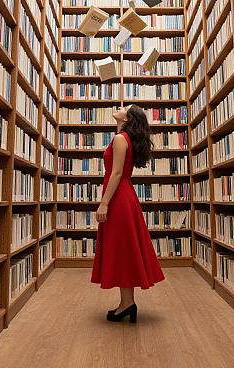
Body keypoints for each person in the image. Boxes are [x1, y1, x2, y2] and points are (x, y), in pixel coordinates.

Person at [91, 104, 165, 323]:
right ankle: (127, 303)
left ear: (129, 117)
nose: (119, 107)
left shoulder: (120, 139)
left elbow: (115, 173)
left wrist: (104, 204)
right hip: (124, 196)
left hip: (118, 198)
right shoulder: (122, 137)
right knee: (124, 248)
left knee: (122, 249)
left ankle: (128, 303)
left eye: (124, 108)